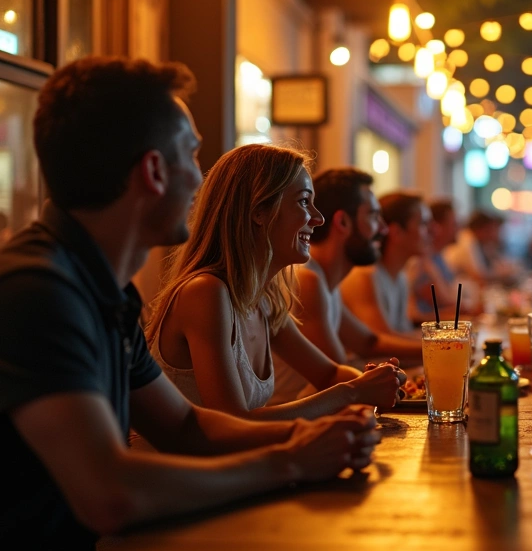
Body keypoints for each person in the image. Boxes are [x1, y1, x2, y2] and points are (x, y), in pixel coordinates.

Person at [0, 58, 381, 551]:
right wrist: (292, 460)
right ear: (153, 171)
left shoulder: (99, 287)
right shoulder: (34, 292)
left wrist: (314, 434)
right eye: (192, 154)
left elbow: (187, 427)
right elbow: (110, 494)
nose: (200, 179)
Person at [146, 144, 405, 421]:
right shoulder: (206, 293)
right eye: (304, 201)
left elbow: (329, 373)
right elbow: (234, 422)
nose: (318, 219)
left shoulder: (264, 299)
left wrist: (375, 379)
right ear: (259, 211)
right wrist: (353, 391)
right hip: (174, 465)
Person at [279, 168, 422, 401]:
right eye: (374, 217)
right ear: (343, 222)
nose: (383, 229)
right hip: (294, 422)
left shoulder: (325, 280)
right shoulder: (308, 279)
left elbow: (369, 342)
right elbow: (338, 371)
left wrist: (444, 347)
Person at [342, 192, 430, 335]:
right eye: (423, 224)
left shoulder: (400, 277)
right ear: (396, 232)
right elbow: (380, 342)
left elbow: (402, 334)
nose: (431, 231)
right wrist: (441, 344)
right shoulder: (365, 276)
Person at [408, 199, 461, 324]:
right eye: (454, 223)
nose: (459, 228)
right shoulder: (419, 262)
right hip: (424, 330)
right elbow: (444, 299)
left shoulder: (438, 257)